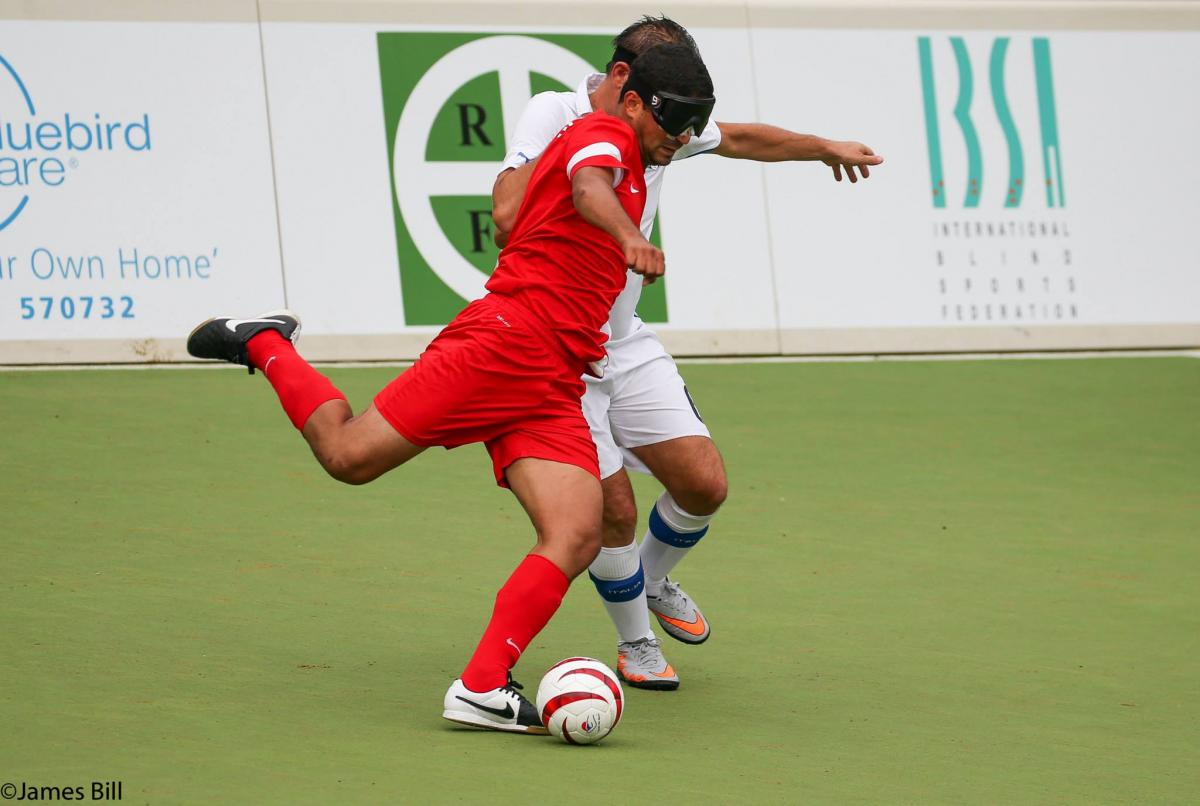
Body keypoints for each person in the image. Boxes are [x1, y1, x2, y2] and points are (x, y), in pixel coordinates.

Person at [186, 43, 714, 734]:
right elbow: (589, 191)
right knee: (348, 456)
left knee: (576, 530)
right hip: (506, 342)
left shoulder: (645, 154)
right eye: (671, 124)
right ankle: (265, 340)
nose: (677, 141)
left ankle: (481, 687)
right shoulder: (601, 131)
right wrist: (628, 238)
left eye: (690, 130)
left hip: (558, 375)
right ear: (635, 99)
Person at [491, 15, 884, 690]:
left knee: (704, 483)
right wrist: (583, 178)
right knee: (609, 508)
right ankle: (636, 645)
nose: (676, 137)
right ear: (626, 80)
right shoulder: (555, 113)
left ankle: (652, 579)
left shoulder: (664, 123)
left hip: (624, 341)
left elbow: (739, 137)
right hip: (559, 352)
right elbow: (504, 213)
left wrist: (822, 146)